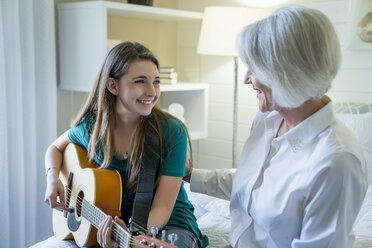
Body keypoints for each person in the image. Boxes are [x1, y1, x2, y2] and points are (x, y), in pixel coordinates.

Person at [185, 6, 368, 248]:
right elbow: (252, 186)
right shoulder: (266, 121)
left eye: (255, 68)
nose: (246, 78)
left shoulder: (337, 162)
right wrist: (189, 175)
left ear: (286, 74)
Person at [44, 41, 208, 248]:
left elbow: (163, 208)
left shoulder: (172, 131)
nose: (152, 91)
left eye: (156, 81)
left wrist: (129, 236)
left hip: (168, 225)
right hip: (114, 223)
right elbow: (55, 148)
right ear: (113, 85)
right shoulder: (91, 129)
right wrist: (52, 179)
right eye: (140, 81)